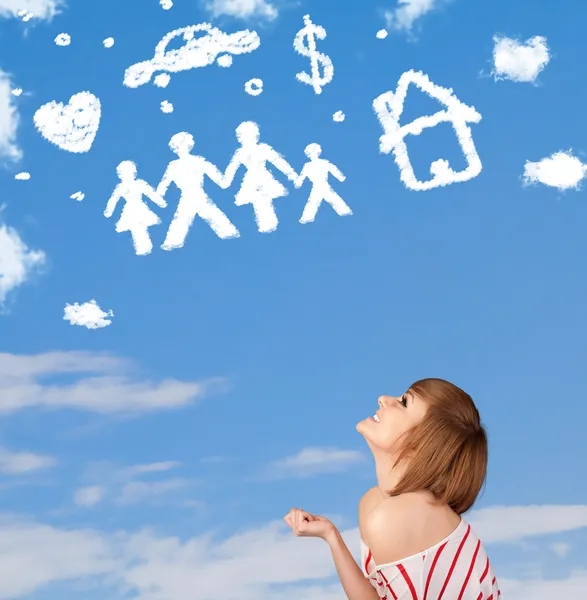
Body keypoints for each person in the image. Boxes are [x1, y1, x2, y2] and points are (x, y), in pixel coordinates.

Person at [284, 378, 501, 599]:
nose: (383, 399)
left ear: (422, 444)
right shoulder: (375, 503)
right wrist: (331, 536)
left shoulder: (399, 517)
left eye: (404, 402)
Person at [158, 132, 240, 251]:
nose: (181, 148)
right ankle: (173, 241)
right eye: (179, 145)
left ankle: (229, 232)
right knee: (183, 217)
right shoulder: (173, 166)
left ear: (189, 145)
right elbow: (164, 183)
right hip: (187, 195)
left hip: (197, 194)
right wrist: (159, 196)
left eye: (184, 144)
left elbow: (219, 179)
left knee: (209, 213)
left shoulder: (198, 161)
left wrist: (230, 172)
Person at [222, 121, 298, 233]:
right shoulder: (240, 152)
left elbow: (277, 160)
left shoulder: (262, 148)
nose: (244, 138)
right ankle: (265, 224)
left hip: (263, 176)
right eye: (242, 136)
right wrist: (226, 181)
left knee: (264, 199)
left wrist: (290, 173)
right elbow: (232, 167)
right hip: (252, 179)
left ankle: (270, 224)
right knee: (258, 201)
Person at [104, 160, 167, 256]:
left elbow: (150, 193)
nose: (125, 175)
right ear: (120, 174)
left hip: (140, 207)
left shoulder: (140, 183)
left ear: (133, 172)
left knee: (141, 226)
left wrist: (161, 202)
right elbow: (113, 199)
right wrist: (109, 211)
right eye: (123, 173)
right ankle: (142, 247)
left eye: (128, 172)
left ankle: (145, 247)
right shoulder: (120, 187)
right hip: (129, 210)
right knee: (135, 228)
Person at [294, 143, 352, 224]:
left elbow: (334, 170)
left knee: (316, 201)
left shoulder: (316, 164)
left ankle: (307, 218)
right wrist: (341, 178)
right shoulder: (312, 165)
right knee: (319, 200)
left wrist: (298, 183)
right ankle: (344, 211)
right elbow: (302, 176)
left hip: (321, 185)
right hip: (319, 186)